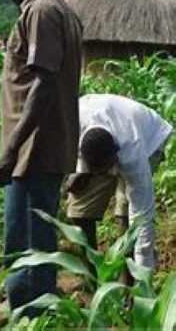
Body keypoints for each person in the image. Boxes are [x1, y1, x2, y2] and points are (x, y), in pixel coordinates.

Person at [0, 0, 83, 313]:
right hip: (42, 149)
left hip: (33, 152)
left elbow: (43, 83)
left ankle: (28, 317)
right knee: (38, 240)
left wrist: (11, 148)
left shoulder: (43, 11)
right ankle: (37, 313)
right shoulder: (59, 7)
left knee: (26, 245)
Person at [66, 94, 172, 270]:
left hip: (150, 136)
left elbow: (142, 216)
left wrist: (144, 276)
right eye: (100, 171)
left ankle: (129, 281)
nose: (108, 174)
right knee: (79, 211)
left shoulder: (133, 153)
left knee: (127, 212)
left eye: (109, 168)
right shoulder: (71, 122)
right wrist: (80, 172)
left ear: (116, 155)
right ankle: (92, 280)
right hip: (94, 131)